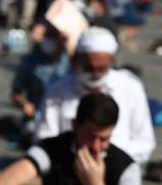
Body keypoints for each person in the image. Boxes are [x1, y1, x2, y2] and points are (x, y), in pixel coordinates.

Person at [34, 26, 155, 164]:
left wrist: (111, 160)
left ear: (112, 61)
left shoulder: (131, 87)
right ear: (77, 61)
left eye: (101, 69)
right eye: (89, 68)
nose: (95, 75)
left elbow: (144, 142)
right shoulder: (57, 91)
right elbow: (44, 138)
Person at [0, 93, 141, 185]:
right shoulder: (53, 149)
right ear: (75, 126)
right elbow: (3, 181)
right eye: (90, 136)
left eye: (104, 139)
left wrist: (95, 182)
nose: (96, 147)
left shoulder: (125, 168)